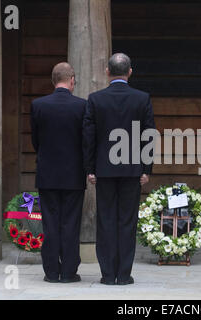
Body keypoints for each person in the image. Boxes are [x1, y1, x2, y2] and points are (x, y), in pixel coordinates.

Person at [83, 53, 156, 285]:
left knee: (105, 221)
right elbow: (148, 136)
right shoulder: (142, 98)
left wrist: (90, 168)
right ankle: (123, 275)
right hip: (132, 170)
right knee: (126, 221)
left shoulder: (95, 99)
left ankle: (107, 275)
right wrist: (146, 168)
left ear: (107, 72)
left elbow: (89, 137)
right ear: (130, 72)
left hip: (104, 170)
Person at [30, 62, 86, 283]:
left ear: (54, 81)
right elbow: (86, 141)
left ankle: (52, 272)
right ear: (71, 79)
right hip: (73, 174)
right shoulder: (82, 106)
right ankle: (69, 271)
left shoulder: (38, 105)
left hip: (48, 173)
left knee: (50, 223)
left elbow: (36, 141)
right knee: (71, 222)